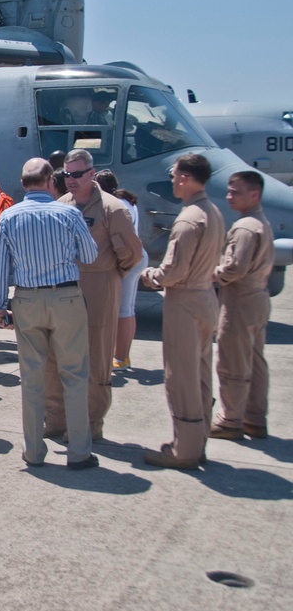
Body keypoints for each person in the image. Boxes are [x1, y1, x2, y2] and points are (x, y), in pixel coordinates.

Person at [0, 158, 99, 469]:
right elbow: (90, 254)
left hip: (26, 299)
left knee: (32, 378)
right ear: (52, 182)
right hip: (66, 297)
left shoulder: (10, 216)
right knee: (75, 375)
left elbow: (1, 267)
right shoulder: (69, 213)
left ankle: (34, 451)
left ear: (24, 184)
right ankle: (79, 452)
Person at [48, 150, 143, 439]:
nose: (71, 180)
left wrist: (108, 276)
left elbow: (132, 254)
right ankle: (57, 420)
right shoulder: (62, 204)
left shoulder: (112, 209)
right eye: (67, 175)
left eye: (77, 174)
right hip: (63, 286)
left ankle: (89, 424)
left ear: (91, 173)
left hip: (99, 286)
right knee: (56, 356)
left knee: (95, 358)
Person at [140, 153, 225, 469]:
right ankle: (197, 438)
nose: (173, 180)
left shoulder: (189, 219)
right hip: (205, 296)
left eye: (176, 175)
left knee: (181, 377)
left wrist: (149, 276)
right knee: (201, 373)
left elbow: (172, 272)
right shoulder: (212, 212)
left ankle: (185, 450)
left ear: (186, 179)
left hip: (185, 301)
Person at [211, 171, 275, 441]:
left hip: (239, 300)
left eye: (235, 192)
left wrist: (208, 272)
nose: (229, 196)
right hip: (258, 297)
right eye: (229, 190)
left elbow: (233, 269)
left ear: (254, 194)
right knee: (254, 360)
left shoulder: (246, 227)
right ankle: (254, 417)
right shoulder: (260, 223)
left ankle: (230, 420)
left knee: (232, 362)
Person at [94, 170, 149, 369]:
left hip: (126, 258)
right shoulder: (127, 201)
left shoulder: (114, 205)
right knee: (128, 308)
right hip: (138, 255)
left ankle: (120, 356)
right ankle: (122, 354)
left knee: (122, 309)